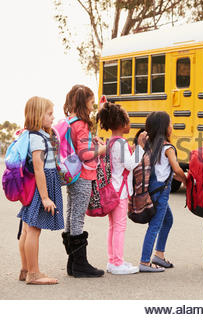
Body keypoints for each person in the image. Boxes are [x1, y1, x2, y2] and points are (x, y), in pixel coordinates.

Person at [61, 85, 107, 278]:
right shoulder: (82, 124)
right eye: (91, 101)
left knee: (72, 214)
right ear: (83, 102)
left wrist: (91, 141)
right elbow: (85, 154)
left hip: (71, 174)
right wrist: (100, 151)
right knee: (78, 216)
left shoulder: (70, 121)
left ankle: (73, 263)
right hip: (83, 175)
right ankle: (80, 265)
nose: (93, 104)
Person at [96, 102, 147, 275]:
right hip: (120, 191)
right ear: (122, 123)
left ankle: (113, 260)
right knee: (119, 227)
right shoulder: (122, 144)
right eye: (128, 120)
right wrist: (140, 146)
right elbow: (130, 165)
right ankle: (117, 263)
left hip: (111, 189)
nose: (130, 123)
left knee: (113, 226)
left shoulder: (110, 142)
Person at [18, 96, 64, 284]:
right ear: (38, 115)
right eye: (50, 114)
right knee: (34, 229)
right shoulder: (36, 137)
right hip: (41, 186)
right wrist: (45, 197)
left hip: (36, 186)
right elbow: (39, 167)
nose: (53, 117)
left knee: (28, 229)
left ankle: (25, 269)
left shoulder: (36, 134)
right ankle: (33, 274)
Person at [139, 111, 187, 272]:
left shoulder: (149, 147)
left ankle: (159, 255)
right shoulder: (168, 147)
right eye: (170, 124)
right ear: (164, 128)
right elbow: (177, 169)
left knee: (168, 220)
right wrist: (186, 180)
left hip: (152, 189)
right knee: (155, 226)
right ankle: (145, 262)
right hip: (161, 192)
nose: (172, 126)